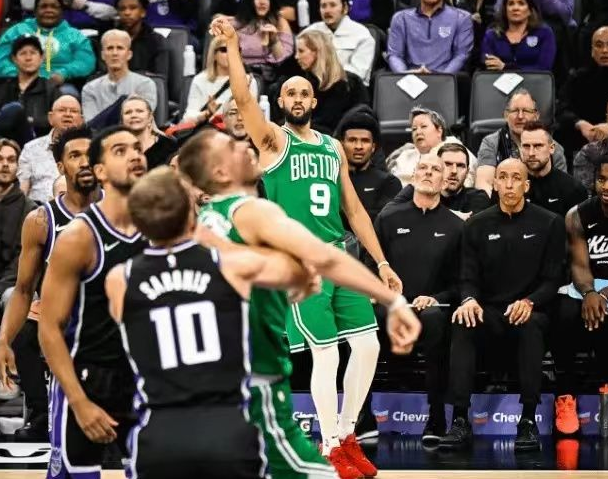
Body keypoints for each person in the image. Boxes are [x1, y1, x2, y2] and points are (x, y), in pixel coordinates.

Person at [211, 16, 406, 478]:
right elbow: (242, 98)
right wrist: (233, 47)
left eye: (304, 93)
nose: (298, 99)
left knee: (368, 346)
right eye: (290, 94)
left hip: (340, 254)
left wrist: (381, 262)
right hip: (300, 263)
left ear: (314, 101)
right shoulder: (272, 141)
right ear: (281, 103)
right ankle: (332, 443)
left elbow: (354, 210)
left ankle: (345, 436)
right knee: (326, 352)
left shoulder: (332, 148)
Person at [182, 128, 420, 479]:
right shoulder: (249, 212)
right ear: (219, 172)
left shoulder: (204, 224)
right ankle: (331, 444)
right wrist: (392, 302)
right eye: (233, 147)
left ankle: (341, 437)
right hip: (249, 375)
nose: (247, 146)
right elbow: (323, 258)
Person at [105, 166, 318, 479]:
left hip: (159, 433)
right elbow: (300, 272)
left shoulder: (119, 279)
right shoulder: (231, 266)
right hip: (227, 427)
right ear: (191, 214)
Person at [38, 125, 147, 479]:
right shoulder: (79, 237)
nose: (134, 155)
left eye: (137, 148)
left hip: (143, 381)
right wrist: (80, 403)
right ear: (99, 171)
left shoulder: (162, 229)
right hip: (87, 378)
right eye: (120, 151)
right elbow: (49, 328)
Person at [441, 158, 565, 451]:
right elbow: (467, 276)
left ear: (526, 185)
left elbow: (554, 279)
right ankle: (459, 420)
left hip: (530, 310)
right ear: (495, 183)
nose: (509, 184)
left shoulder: (550, 222)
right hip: (490, 311)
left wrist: (530, 301)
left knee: (531, 325)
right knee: (463, 321)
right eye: (503, 177)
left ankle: (528, 420)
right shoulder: (476, 224)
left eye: (516, 178)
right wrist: (469, 300)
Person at [0, 127, 97, 441]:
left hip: (105, 324)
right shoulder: (40, 220)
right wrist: (3, 340)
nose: (84, 162)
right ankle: (41, 412)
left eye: (90, 154)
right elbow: (24, 289)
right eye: (75, 155)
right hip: (60, 321)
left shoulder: (123, 212)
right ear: (60, 166)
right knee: (26, 335)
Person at [374, 153, 463, 445]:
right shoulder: (388, 218)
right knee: (363, 319)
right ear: (413, 175)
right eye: (422, 168)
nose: (428, 173)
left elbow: (461, 282)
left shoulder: (455, 226)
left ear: (444, 179)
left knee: (436, 319)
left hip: (433, 308)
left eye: (435, 169)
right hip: (391, 305)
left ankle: (436, 417)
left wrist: (436, 298)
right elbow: (371, 267)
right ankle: (362, 417)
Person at [552, 157, 608, 436]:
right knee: (564, 313)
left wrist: (603, 297)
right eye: (602, 180)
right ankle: (566, 395)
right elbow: (579, 264)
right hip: (591, 284)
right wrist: (589, 292)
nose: (606, 187)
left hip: (604, 291)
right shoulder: (577, 215)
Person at [0, 139, 37, 322]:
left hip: (15, 284)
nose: (5, 164)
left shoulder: (31, 210)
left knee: (19, 300)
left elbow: (25, 257)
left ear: (18, 167)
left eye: (11, 160)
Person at [475, 88, 567, 196]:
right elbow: (484, 184)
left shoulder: (553, 148)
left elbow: (561, 188)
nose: (520, 116)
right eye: (515, 111)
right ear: (506, 115)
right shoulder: (491, 143)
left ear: (536, 116)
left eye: (526, 111)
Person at [0, 0, 96, 86]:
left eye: (54, 6)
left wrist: (63, 74)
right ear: (35, 11)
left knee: (67, 98)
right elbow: (0, 59)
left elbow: (86, 62)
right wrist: (17, 75)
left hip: (61, 85)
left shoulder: (75, 36)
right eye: (43, 6)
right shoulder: (16, 31)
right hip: (18, 82)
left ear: (62, 11)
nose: (49, 10)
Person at [0, 34, 61, 138]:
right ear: (14, 59)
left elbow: (57, 121)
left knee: (14, 109)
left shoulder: (51, 91)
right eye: (23, 53)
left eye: (33, 53)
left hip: (32, 140)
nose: (28, 58)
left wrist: (26, 120)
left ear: (41, 58)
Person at [290, 30, 368, 134]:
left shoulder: (346, 84)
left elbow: (327, 123)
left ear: (317, 52)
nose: (296, 57)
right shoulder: (303, 82)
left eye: (301, 51)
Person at [391, 143, 491, 220]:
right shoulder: (418, 192)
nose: (454, 171)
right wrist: (453, 214)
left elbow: (470, 228)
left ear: (467, 172)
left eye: (460, 166)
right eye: (447, 164)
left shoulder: (478, 197)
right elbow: (389, 213)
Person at [336, 110, 402, 226]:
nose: (358, 146)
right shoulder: (330, 178)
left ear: (373, 147)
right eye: (352, 140)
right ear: (341, 144)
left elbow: (386, 222)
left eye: (365, 141)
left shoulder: (388, 182)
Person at [386, 107, 477, 188]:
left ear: (439, 131)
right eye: (414, 129)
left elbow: (466, 183)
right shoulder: (405, 155)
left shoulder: (456, 149)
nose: (418, 132)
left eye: (423, 126)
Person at [18, 94, 85, 204]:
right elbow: (22, 191)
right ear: (50, 118)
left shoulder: (89, 149)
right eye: (62, 110)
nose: (68, 114)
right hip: (38, 209)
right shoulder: (31, 149)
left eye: (73, 111)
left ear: (81, 120)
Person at [82, 29, 157, 122]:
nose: (115, 53)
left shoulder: (145, 85)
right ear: (102, 55)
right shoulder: (90, 89)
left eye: (120, 48)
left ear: (129, 54)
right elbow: (92, 123)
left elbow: (143, 119)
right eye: (110, 48)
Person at [181, 37, 258, 125]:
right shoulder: (200, 80)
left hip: (236, 129)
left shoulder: (248, 81)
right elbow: (187, 118)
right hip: (207, 129)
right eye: (224, 50)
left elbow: (252, 117)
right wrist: (207, 114)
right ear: (214, 55)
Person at [555, 26, 608, 154]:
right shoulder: (577, 79)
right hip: (582, 140)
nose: (605, 50)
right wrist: (580, 123)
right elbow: (561, 108)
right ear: (592, 51)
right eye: (599, 45)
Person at [520, 121, 587, 216]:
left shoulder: (573, 189)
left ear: (551, 148)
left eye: (538, 146)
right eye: (526, 146)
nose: (531, 153)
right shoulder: (510, 186)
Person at [387, 0, 474, 74]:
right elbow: (395, 55)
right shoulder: (400, 18)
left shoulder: (462, 18)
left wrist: (441, 78)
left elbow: (461, 55)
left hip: (447, 81)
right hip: (410, 80)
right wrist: (404, 76)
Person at [302, 0, 375, 86]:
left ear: (345, 8)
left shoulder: (362, 35)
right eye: (323, 6)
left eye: (333, 5)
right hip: (314, 86)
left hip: (350, 88)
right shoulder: (309, 33)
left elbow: (357, 74)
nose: (327, 10)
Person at [481, 0, 556, 72]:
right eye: (511, 4)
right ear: (505, 10)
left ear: (530, 10)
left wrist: (506, 67)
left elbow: (544, 68)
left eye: (521, 3)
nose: (515, 8)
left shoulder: (544, 33)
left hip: (534, 80)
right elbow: (489, 65)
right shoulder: (492, 35)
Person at [234, 0, 294, 78]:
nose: (262, 2)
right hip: (241, 72)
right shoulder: (237, 23)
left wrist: (274, 40)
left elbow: (283, 61)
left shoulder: (280, 22)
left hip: (269, 76)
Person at [121, 95, 177, 169]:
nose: (133, 115)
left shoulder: (169, 144)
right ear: (122, 120)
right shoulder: (118, 149)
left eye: (139, 111)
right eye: (128, 112)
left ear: (150, 117)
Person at [116, 0, 169, 78]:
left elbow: (160, 78)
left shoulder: (156, 41)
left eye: (133, 8)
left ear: (143, 12)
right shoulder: (109, 39)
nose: (127, 13)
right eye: (122, 9)